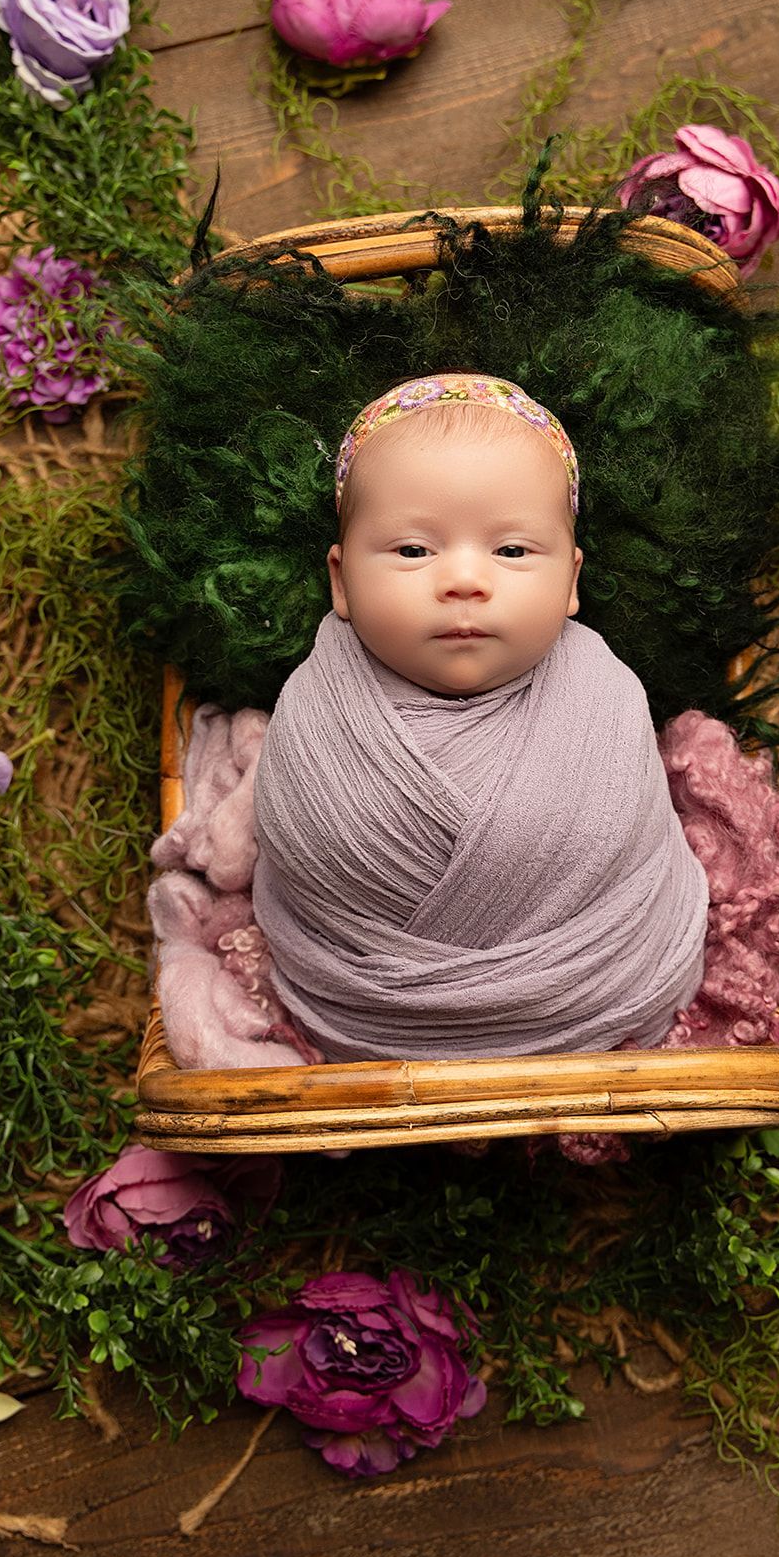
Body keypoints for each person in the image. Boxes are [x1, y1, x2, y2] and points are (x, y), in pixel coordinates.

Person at [250, 373, 710, 1064]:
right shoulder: (315, 716)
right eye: (413, 551)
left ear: (571, 581)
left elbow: (634, 857)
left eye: (512, 551)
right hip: (369, 1018)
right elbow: (308, 864)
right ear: (340, 582)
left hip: (604, 991)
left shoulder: (608, 699)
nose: (465, 580)